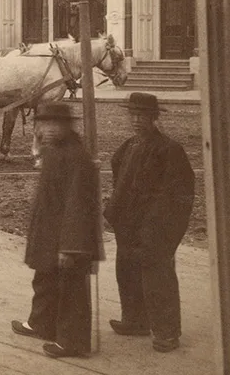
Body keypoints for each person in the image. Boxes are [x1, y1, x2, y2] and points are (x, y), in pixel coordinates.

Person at [105, 92, 195, 353]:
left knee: (157, 276)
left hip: (156, 227)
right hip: (128, 225)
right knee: (127, 272)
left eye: (142, 116)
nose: (136, 120)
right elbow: (119, 179)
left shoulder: (169, 150)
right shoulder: (129, 146)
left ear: (154, 118)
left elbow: (179, 194)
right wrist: (116, 213)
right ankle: (136, 320)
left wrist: (159, 227)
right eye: (132, 114)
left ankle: (168, 332)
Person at [11, 102, 102, 359]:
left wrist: (70, 246)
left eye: (54, 124)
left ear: (66, 126)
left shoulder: (77, 156)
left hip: (69, 237)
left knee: (72, 288)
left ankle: (73, 342)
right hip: (50, 231)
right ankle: (41, 323)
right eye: (43, 124)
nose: (47, 130)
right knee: (45, 277)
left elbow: (78, 205)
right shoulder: (54, 152)